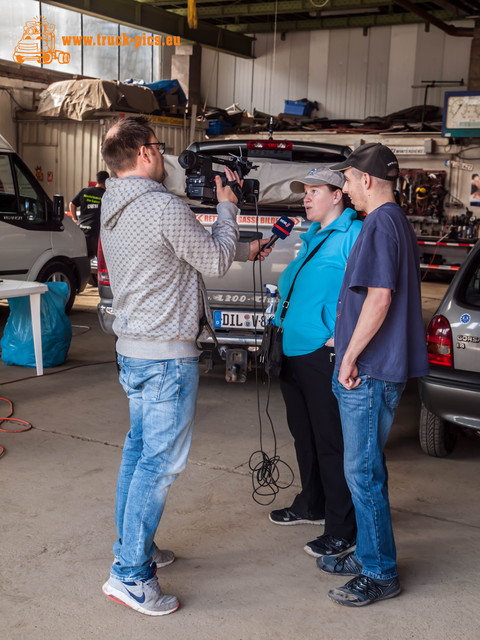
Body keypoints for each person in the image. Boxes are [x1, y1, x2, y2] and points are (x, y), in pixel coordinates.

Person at [99, 116, 270, 616]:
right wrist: (227, 208)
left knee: (138, 454)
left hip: (132, 349)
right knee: (158, 465)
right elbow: (212, 261)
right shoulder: (163, 205)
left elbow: (178, 251)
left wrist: (238, 242)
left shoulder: (114, 201)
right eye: (158, 146)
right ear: (146, 153)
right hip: (166, 356)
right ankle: (129, 575)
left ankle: (135, 547)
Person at [316, 143, 429, 607]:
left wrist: (348, 357)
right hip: (378, 365)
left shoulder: (380, 222)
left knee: (362, 472)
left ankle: (380, 571)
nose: (343, 188)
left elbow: (380, 299)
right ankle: (368, 554)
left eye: (346, 180)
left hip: (370, 372)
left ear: (365, 179)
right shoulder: (394, 221)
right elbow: (373, 302)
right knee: (364, 467)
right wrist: (342, 336)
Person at [269, 167, 362, 559]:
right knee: (304, 435)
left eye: (314, 191)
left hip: (321, 353)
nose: (305, 198)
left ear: (338, 195)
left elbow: (370, 293)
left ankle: (343, 528)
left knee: (331, 441)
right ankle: (312, 503)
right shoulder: (313, 237)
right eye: (304, 192)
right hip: (292, 348)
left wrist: (340, 337)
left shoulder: (353, 235)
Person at [69, 170, 109, 258]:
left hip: (81, 231)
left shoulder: (85, 191)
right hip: (95, 233)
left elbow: (72, 204)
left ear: (97, 180)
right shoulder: (106, 195)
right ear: (107, 181)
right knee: (97, 258)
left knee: (81, 257)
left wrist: (75, 219)